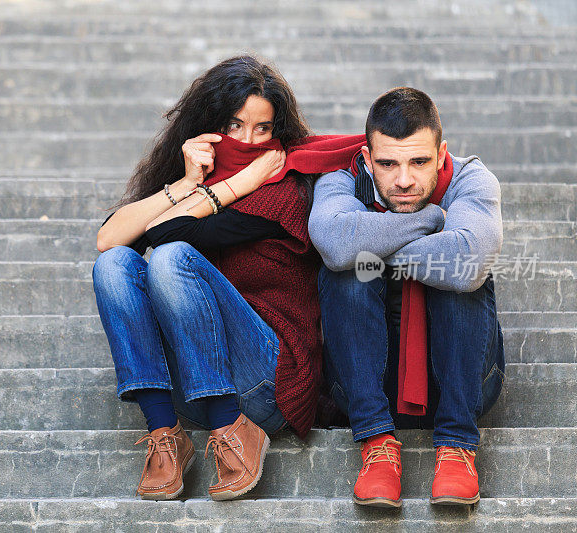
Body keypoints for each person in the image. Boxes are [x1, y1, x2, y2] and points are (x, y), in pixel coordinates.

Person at [92, 55, 361, 501]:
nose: (249, 141)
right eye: (234, 126)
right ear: (207, 127)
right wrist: (186, 181)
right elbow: (108, 239)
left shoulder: (284, 188)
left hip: (268, 383)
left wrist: (249, 179)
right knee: (115, 266)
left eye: (263, 129)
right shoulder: (196, 183)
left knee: (172, 257)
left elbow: (167, 234)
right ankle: (166, 434)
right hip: (194, 380)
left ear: (280, 131)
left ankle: (232, 431)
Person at [308, 87, 505, 507]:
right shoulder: (341, 180)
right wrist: (434, 221)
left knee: (459, 277)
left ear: (441, 152)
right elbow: (335, 243)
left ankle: (457, 446)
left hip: (462, 382)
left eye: (419, 161)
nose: (403, 180)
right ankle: (377, 445)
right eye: (387, 163)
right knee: (345, 273)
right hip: (367, 385)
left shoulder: (471, 178)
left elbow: (468, 261)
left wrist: (370, 250)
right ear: (366, 158)